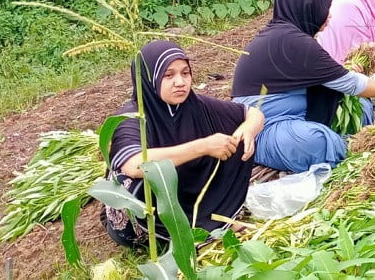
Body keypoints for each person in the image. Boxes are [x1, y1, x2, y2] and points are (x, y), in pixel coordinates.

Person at [231, 0, 375, 173]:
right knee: (316, 142)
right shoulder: (291, 41)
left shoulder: (290, 36)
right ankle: (344, 146)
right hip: (264, 126)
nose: (329, 15)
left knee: (361, 107)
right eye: (324, 9)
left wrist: (345, 70)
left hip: (298, 112)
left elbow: (332, 77)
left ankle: (345, 141)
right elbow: (349, 83)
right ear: (308, 9)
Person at [102, 40, 265, 247]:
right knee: (147, 176)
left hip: (188, 195)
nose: (180, 82)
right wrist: (203, 146)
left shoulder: (196, 106)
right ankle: (172, 236)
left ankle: (214, 220)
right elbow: (134, 165)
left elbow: (254, 113)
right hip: (147, 214)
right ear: (148, 78)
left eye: (185, 73)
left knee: (237, 140)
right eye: (168, 75)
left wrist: (248, 129)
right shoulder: (131, 118)